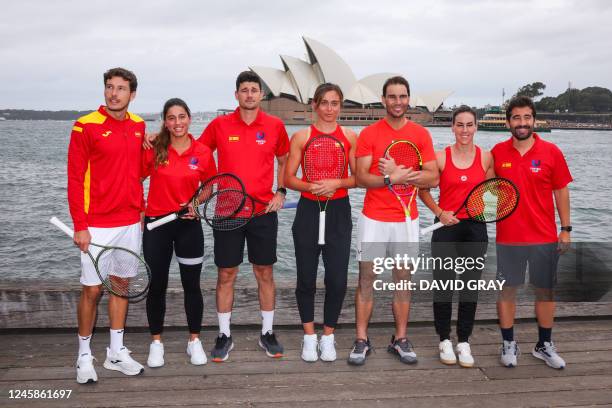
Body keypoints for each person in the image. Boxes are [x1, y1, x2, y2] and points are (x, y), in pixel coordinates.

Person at [199, 71, 290, 361]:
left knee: (265, 272)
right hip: (227, 211)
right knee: (227, 274)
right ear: (236, 94)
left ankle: (267, 332)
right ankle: (224, 335)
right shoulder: (219, 125)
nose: (249, 95)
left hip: (263, 211)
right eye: (244, 90)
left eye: (254, 90)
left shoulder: (275, 125)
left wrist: (281, 191)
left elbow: (284, 159)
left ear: (261, 94)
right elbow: (198, 153)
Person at [349, 76, 439, 365]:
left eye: (402, 96)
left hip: (406, 219)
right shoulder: (369, 134)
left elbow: (433, 176)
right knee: (367, 279)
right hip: (373, 219)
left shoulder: (421, 135)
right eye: (392, 96)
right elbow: (362, 178)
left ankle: (399, 339)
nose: (397, 102)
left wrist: (402, 175)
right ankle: (361, 340)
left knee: (403, 279)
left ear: (408, 99)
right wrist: (390, 178)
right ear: (383, 100)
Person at [68, 67, 145, 383]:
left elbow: (141, 169)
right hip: (96, 224)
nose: (114, 93)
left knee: (120, 286)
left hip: (130, 221)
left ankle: (116, 351)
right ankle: (84, 355)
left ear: (132, 94)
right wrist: (80, 225)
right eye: (110, 87)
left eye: (121, 88)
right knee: (92, 289)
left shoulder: (139, 126)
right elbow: (74, 178)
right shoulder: (84, 126)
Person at [492, 96, 572, 369]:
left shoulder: (552, 152)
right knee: (507, 291)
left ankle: (544, 345)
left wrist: (565, 229)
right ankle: (508, 343)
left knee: (545, 292)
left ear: (534, 120)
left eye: (527, 117)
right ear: (508, 122)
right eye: (516, 117)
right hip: (508, 237)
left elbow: (561, 190)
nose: (522, 123)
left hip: (544, 237)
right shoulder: (497, 152)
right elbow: (486, 191)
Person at [284, 83, 357, 362]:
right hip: (308, 211)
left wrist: (337, 183)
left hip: (339, 211)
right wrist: (313, 187)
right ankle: (308, 336)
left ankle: (328, 336)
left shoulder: (350, 136)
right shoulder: (302, 136)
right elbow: (288, 178)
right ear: (314, 105)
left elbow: (359, 177)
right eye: (324, 102)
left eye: (335, 103)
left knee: (337, 280)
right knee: (306, 278)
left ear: (340, 106)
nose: (329, 108)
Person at [142, 98, 217, 368]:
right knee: (157, 285)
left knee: (191, 286)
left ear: (190, 118)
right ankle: (156, 342)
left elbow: (209, 186)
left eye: (181, 116)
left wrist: (197, 205)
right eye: (171, 118)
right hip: (156, 226)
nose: (177, 123)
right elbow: (135, 179)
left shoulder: (203, 152)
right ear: (165, 121)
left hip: (188, 226)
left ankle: (194, 340)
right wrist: (140, 210)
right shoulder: (155, 149)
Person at [419, 105, 494, 367]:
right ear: (452, 127)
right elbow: (423, 191)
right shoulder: (440, 157)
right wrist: (440, 213)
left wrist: (486, 208)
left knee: (469, 286)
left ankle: (463, 340)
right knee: (444, 285)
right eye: (459, 124)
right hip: (446, 228)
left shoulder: (486, 158)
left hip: (475, 228)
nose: (465, 130)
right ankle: (444, 339)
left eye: (469, 124)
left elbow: (492, 192)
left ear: (476, 127)